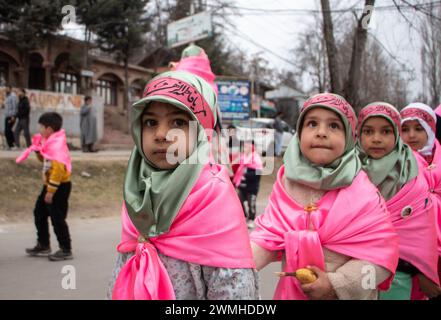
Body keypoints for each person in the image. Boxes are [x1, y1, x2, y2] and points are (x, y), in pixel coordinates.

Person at [107, 71, 257, 300]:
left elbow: (234, 289)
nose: (160, 134)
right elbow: (125, 265)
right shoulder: (137, 191)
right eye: (150, 122)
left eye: (178, 122)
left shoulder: (214, 198)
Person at [250, 93, 400, 300]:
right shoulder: (286, 182)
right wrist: (237, 265)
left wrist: (336, 284)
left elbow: (382, 258)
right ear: (299, 133)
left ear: (349, 137)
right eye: (312, 124)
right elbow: (267, 237)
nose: (321, 133)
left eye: (334, 126)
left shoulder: (363, 192)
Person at [357, 102, 440, 300]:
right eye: (368, 131)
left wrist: (421, 269)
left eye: (386, 131)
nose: (376, 139)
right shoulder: (349, 171)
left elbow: (420, 229)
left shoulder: (410, 174)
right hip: (356, 265)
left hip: (403, 270)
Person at [16, 112, 73, 261]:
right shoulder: (50, 141)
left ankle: (66, 248)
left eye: (41, 126)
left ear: (49, 128)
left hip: (59, 186)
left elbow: (58, 171)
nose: (39, 129)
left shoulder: (57, 145)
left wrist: (50, 191)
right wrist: (38, 150)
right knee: (39, 213)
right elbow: (45, 159)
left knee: (57, 217)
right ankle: (43, 244)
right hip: (49, 185)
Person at [399, 103, 441, 300]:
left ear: (431, 130)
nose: (411, 135)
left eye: (419, 128)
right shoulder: (399, 164)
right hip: (412, 249)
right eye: (405, 129)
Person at [232, 140, 263, 229]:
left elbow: (258, 175)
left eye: (246, 147)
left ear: (251, 147)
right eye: (244, 147)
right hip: (242, 186)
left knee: (251, 204)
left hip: (252, 187)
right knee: (238, 201)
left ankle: (251, 219)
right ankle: (244, 216)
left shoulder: (256, 159)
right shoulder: (243, 158)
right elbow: (237, 170)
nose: (244, 149)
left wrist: (245, 174)